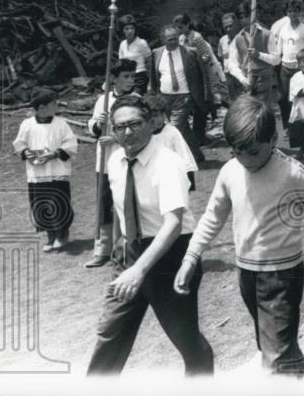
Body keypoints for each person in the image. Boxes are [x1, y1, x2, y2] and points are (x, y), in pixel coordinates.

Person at [175, 96, 304, 376]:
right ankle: (297, 376)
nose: (245, 160)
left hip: (282, 275)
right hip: (246, 272)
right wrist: (191, 256)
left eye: (253, 152)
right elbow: (213, 216)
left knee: (275, 352)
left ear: (273, 139)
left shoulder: (291, 174)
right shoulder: (230, 171)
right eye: (237, 152)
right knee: (271, 342)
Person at [86, 96, 214, 376]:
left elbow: (173, 223)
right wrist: (121, 253)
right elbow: (121, 209)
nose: (127, 132)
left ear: (150, 123)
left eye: (134, 124)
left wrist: (139, 271)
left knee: (188, 341)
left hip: (170, 257)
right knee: (110, 334)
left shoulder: (168, 163)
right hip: (130, 254)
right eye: (120, 127)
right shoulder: (116, 161)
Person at [85, 59, 140, 268]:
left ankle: (125, 248)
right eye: (125, 76)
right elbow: (93, 127)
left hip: (127, 159)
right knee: (104, 203)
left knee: (126, 204)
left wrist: (117, 139)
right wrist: (99, 123)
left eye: (133, 76)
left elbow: (143, 130)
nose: (130, 80)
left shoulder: (135, 100)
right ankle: (103, 249)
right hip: (106, 161)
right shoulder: (103, 99)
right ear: (114, 79)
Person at [13, 88, 78, 253]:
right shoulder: (27, 124)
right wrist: (28, 154)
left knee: (59, 202)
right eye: (53, 104)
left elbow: (71, 144)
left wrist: (55, 154)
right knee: (42, 205)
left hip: (57, 172)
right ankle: (50, 235)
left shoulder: (61, 123)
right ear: (41, 108)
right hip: (37, 174)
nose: (56, 106)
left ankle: (62, 234)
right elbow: (19, 143)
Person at [149, 25, 208, 165]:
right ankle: (197, 155)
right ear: (163, 40)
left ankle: (170, 160)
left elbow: (202, 75)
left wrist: (204, 95)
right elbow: (154, 76)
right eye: (170, 39)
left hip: (184, 98)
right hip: (164, 98)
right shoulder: (156, 53)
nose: (174, 42)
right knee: (184, 129)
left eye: (176, 38)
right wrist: (153, 95)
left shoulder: (190, 53)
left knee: (173, 128)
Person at [258, 0, 304, 131]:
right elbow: (278, 52)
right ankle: (287, 128)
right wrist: (267, 57)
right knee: (284, 98)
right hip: (285, 69)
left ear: (299, 12)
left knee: (300, 99)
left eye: (295, 11)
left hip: (299, 69)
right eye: (289, 11)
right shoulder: (283, 29)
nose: (292, 14)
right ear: (286, 13)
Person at [145, 94, 198, 192]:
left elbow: (184, 156)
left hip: (171, 180)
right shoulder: (144, 136)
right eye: (155, 116)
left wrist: (189, 184)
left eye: (162, 115)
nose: (160, 119)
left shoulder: (171, 132)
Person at [219, 12, 250, 104]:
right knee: (233, 104)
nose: (228, 29)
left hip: (242, 77)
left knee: (245, 103)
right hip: (229, 79)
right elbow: (221, 59)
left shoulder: (244, 38)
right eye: (225, 27)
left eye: (230, 26)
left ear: (236, 24)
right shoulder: (222, 41)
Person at [118, 15, 151, 95]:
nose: (130, 31)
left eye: (132, 28)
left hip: (140, 78)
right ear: (123, 30)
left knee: (134, 99)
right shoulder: (122, 44)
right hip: (127, 78)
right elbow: (121, 65)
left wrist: (150, 82)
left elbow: (150, 62)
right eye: (127, 29)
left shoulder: (141, 43)